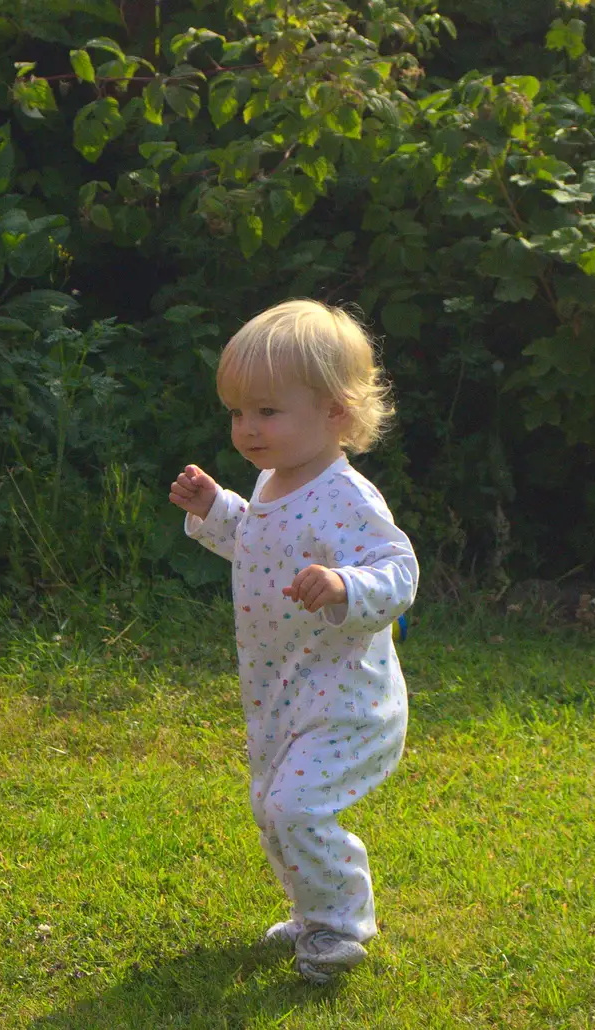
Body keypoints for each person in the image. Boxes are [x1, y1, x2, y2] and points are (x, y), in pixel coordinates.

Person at [169, 298, 418, 985]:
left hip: (347, 697)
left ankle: (341, 925)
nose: (247, 429)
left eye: (266, 412)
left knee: (296, 805)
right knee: (270, 805)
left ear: (334, 412)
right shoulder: (276, 480)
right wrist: (216, 510)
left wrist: (345, 585)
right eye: (238, 412)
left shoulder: (348, 496)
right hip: (283, 688)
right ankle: (313, 912)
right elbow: (261, 542)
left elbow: (399, 572)